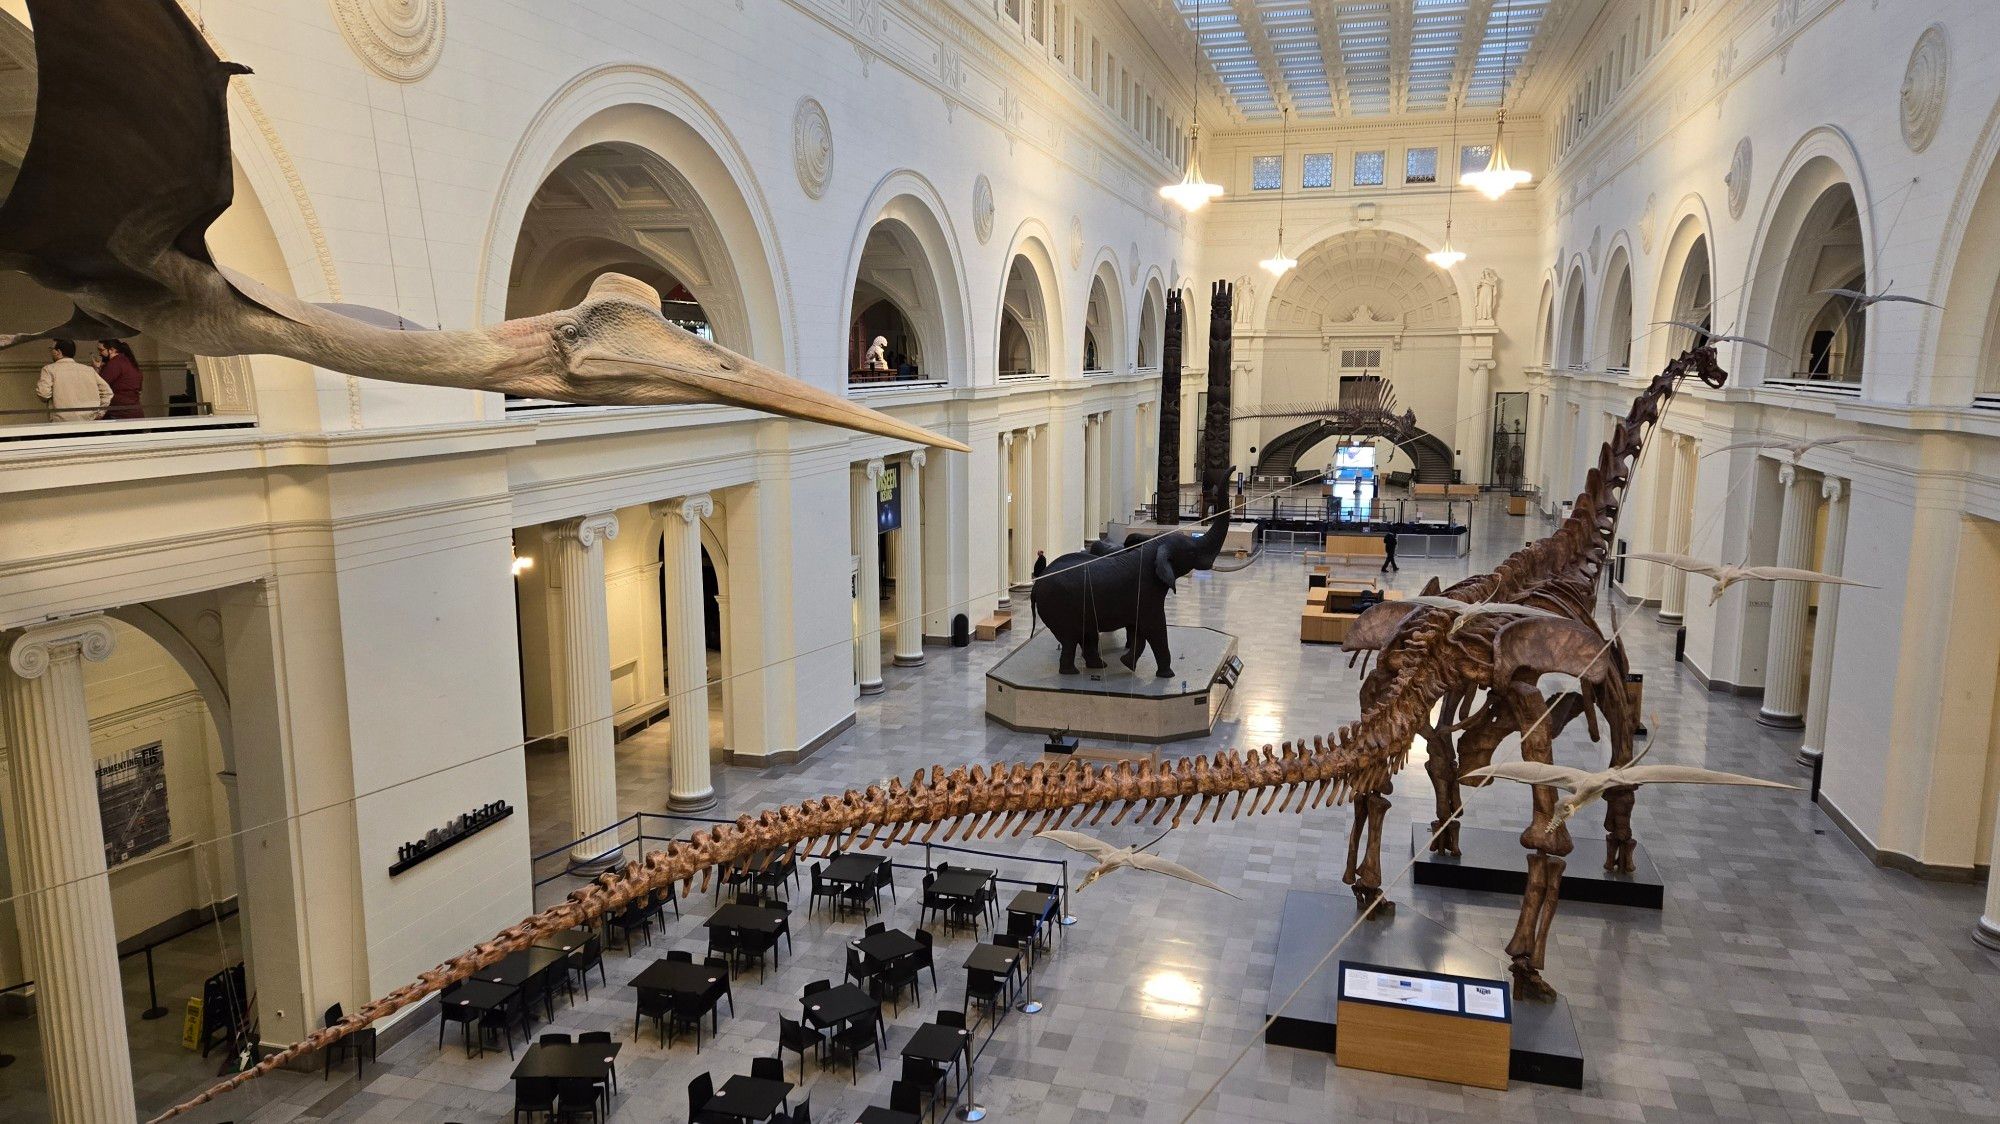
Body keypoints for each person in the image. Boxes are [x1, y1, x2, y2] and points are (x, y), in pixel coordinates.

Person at [36, 339, 113, 422]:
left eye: (52, 349)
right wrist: (99, 413)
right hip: (89, 421)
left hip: (61, 422)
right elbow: (107, 392)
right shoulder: (88, 370)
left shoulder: (49, 369)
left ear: (59, 352)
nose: (51, 352)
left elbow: (43, 395)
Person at [96, 339, 145, 420]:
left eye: (101, 350)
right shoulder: (130, 361)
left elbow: (101, 385)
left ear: (112, 350)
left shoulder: (115, 363)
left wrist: (97, 369)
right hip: (135, 410)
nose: (99, 353)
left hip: (119, 413)